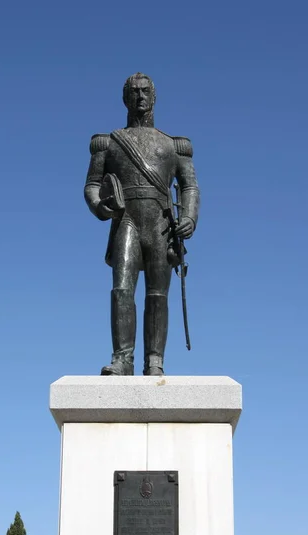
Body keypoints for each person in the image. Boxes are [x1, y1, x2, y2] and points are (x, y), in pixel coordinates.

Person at [84, 73, 200, 375]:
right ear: (125, 98)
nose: (140, 97)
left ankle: (155, 362)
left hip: (161, 225)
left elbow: (189, 187)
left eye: (145, 91)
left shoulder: (174, 146)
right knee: (122, 289)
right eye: (134, 92)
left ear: (154, 96)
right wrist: (99, 206)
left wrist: (189, 217)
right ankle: (123, 359)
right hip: (127, 222)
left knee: (157, 294)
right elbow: (92, 185)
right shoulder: (108, 144)